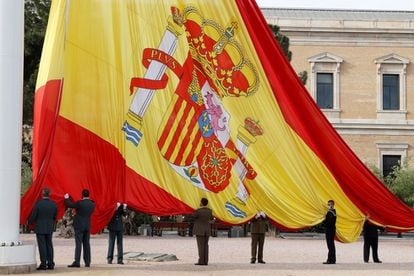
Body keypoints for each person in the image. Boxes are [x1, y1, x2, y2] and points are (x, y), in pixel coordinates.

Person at [28, 187, 58, 270]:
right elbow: (55, 216)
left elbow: (33, 216)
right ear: (49, 194)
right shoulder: (53, 204)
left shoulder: (38, 204)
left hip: (40, 227)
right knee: (49, 245)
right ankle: (51, 263)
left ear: (42, 194)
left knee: (42, 246)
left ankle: (43, 264)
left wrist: (28, 221)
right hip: (49, 227)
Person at [64, 189, 95, 268]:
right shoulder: (92, 204)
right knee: (86, 244)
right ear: (88, 195)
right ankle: (87, 262)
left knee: (78, 244)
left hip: (79, 226)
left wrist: (66, 197)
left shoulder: (80, 203)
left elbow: (69, 204)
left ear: (82, 195)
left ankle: (77, 261)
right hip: (87, 225)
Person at [192, 197, 214, 266]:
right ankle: (206, 261)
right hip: (207, 230)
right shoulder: (209, 211)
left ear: (201, 202)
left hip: (199, 230)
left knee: (200, 246)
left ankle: (201, 261)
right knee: (206, 246)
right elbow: (212, 219)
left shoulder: (198, 211)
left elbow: (193, 217)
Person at [323, 199, 336, 264]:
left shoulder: (331, 212)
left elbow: (329, 222)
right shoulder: (332, 212)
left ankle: (330, 260)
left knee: (330, 245)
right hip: (331, 230)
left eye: (331, 204)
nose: (330, 206)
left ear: (333, 205)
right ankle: (332, 259)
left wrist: (325, 219)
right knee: (331, 245)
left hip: (330, 230)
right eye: (328, 204)